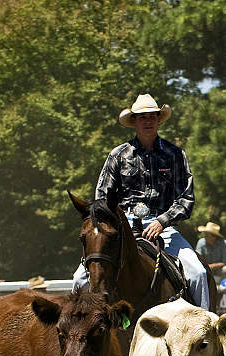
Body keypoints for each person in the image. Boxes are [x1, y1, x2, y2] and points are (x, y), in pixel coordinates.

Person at [72, 93, 210, 309]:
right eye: (142, 117)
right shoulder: (117, 156)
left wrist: (162, 221)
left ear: (158, 120)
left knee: (198, 273)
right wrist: (113, 223)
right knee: (79, 279)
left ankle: (205, 328)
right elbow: (101, 200)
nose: (148, 121)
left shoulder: (175, 154)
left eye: (152, 116)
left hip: (164, 229)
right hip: (120, 228)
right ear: (134, 121)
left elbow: (186, 198)